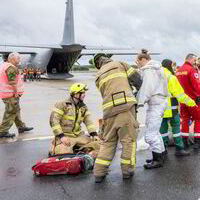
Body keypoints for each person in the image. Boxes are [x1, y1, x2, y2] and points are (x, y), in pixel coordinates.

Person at [92, 53, 143, 183]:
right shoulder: (120, 64)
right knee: (128, 141)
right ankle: (127, 171)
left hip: (108, 112)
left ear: (98, 65)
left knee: (108, 142)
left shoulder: (98, 76)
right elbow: (138, 80)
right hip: (126, 109)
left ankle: (99, 173)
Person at [135, 50, 169, 169]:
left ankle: (157, 160)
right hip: (160, 102)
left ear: (143, 60)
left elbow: (147, 88)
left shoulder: (149, 70)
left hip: (156, 104)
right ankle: (161, 155)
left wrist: (139, 102)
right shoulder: (158, 68)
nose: (138, 65)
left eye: (137, 62)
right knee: (156, 133)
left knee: (150, 135)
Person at [49, 83, 100, 155]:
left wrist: (94, 135)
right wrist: (62, 137)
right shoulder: (62, 105)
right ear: (75, 94)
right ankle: (57, 147)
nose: (84, 95)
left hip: (79, 136)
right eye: (82, 93)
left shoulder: (83, 107)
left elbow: (89, 122)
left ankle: (81, 151)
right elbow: (53, 121)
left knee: (99, 146)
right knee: (63, 153)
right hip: (66, 136)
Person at [160, 59, 196, 156]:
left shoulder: (157, 76)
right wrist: (192, 103)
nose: (174, 68)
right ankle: (179, 149)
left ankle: (163, 150)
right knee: (176, 128)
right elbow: (180, 95)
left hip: (160, 109)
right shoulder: (171, 77)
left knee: (163, 130)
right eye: (173, 66)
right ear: (169, 66)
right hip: (171, 108)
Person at [176, 54, 200, 150]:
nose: (195, 62)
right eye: (194, 60)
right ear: (189, 59)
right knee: (198, 119)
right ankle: (197, 141)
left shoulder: (179, 71)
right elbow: (197, 87)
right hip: (193, 100)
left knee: (185, 120)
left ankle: (184, 141)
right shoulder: (191, 70)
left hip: (183, 101)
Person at [0, 53, 33, 138]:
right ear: (12, 59)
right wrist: (16, 92)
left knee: (16, 110)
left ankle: (21, 127)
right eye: (18, 58)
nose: (19, 60)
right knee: (10, 112)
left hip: (7, 94)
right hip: (11, 94)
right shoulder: (10, 67)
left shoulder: (4, 65)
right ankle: (3, 131)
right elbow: (12, 82)